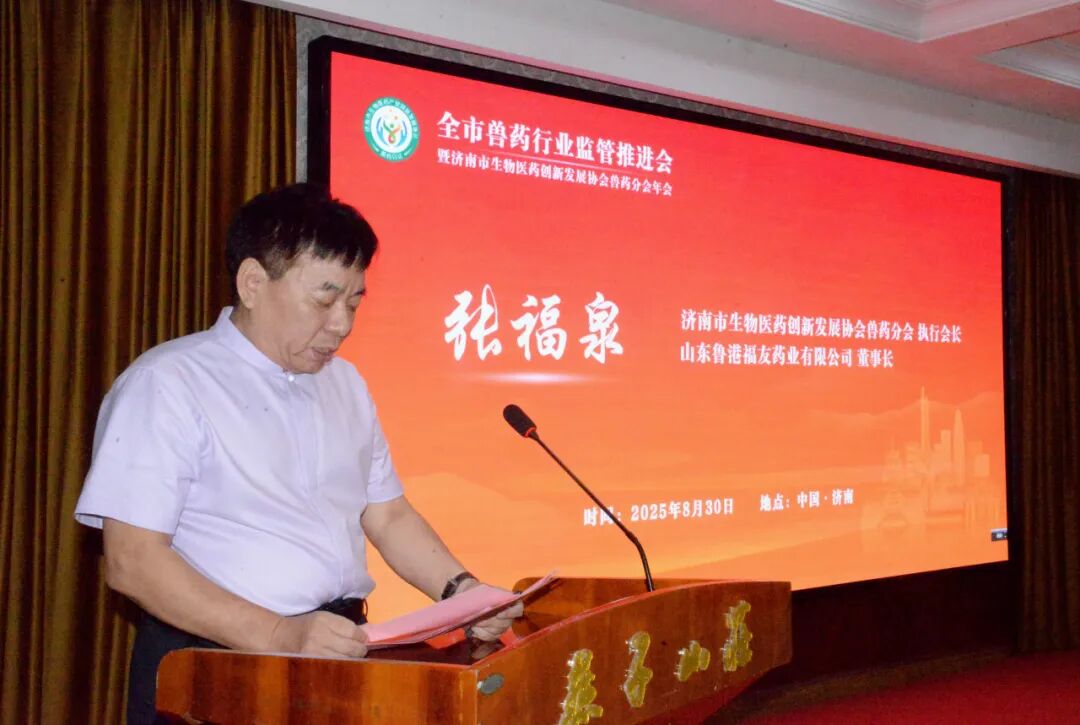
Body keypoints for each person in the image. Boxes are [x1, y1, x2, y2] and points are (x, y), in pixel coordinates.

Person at [74, 184, 521, 724]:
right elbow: (133, 561)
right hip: (216, 666)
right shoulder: (167, 383)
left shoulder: (345, 384)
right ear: (253, 283)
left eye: (354, 303)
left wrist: (463, 594)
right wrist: (279, 634)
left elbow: (387, 515)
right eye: (324, 300)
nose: (342, 324)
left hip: (335, 650)